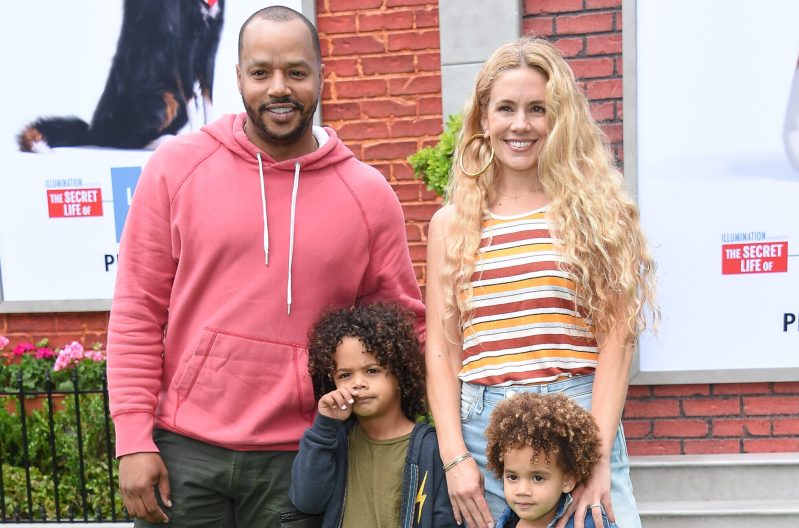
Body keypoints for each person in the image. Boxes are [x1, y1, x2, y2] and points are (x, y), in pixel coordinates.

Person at [106, 6, 424, 527]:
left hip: (303, 454)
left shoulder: (368, 195)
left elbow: (403, 326)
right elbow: (138, 312)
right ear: (238, 78)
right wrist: (133, 437)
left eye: (296, 72)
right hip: (184, 450)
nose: (279, 88)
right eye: (261, 72)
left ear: (322, 75)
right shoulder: (176, 168)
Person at [424, 36, 657, 528]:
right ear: (483, 119)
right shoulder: (450, 224)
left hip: (577, 415)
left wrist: (592, 456)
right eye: (506, 108)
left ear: (561, 119)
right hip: (484, 433)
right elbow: (443, 351)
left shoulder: (597, 214)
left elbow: (617, 338)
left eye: (538, 109)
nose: (521, 124)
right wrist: (453, 457)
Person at [288, 303, 457, 528]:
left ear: (400, 372)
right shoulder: (334, 441)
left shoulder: (431, 448)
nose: (358, 383)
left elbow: (445, 520)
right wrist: (324, 427)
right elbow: (307, 501)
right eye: (345, 374)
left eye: (372, 371)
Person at [485, 392, 617, 528]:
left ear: (568, 481)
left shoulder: (589, 524)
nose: (522, 490)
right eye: (512, 477)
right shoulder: (505, 524)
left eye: (537, 478)